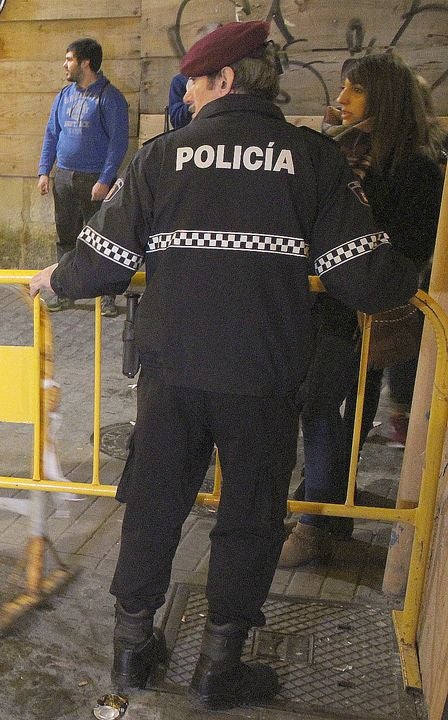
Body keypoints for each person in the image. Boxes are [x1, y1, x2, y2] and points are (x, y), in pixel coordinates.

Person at [30, 21, 417, 711]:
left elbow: (101, 264)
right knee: (251, 516)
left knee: (152, 508)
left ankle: (132, 654)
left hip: (171, 372)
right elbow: (370, 282)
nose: (187, 90)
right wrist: (414, 277)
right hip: (263, 379)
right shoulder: (313, 161)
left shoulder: (160, 158)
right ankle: (218, 669)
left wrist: (53, 282)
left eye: (193, 80)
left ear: (225, 80)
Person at [280, 52, 445, 567]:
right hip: (333, 309)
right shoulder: (343, 151)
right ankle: (333, 511)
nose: (341, 98)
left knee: (327, 412)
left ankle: (312, 527)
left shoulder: (414, 165)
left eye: (355, 90)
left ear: (385, 99)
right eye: (343, 88)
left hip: (363, 310)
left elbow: (415, 243)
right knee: (341, 412)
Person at [35, 37, 129, 316]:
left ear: (85, 63)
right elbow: (52, 135)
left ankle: (106, 297)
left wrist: (105, 179)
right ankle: (63, 291)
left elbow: (118, 143)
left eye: (69, 59)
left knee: (101, 239)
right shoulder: (64, 96)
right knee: (65, 237)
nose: (65, 64)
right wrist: (44, 171)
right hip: (63, 178)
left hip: (94, 180)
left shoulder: (110, 98)